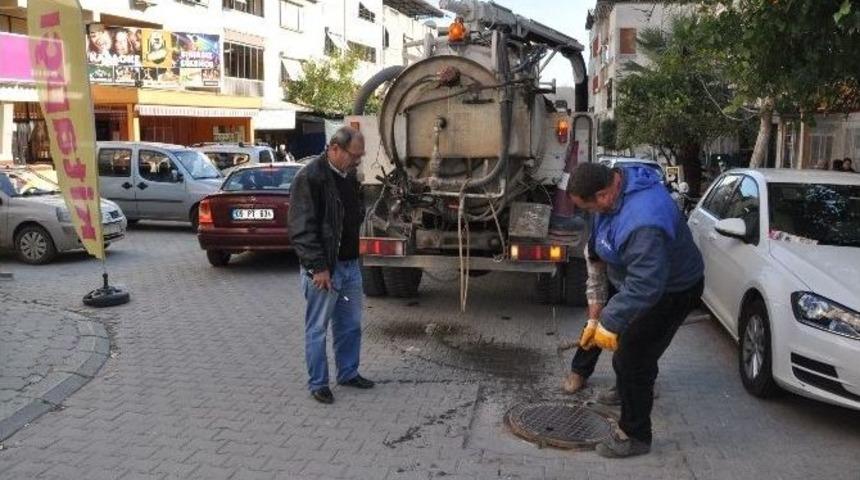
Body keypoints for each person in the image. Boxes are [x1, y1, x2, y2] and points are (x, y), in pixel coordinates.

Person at [566, 162, 704, 458]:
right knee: (634, 351)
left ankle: (635, 435)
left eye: (588, 208)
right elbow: (599, 259)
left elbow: (646, 286)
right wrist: (596, 318)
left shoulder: (644, 221)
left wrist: (610, 321)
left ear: (603, 195)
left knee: (632, 358)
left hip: (671, 291)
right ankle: (627, 389)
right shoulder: (618, 184)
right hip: (635, 280)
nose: (589, 214)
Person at [288, 127, 374, 405]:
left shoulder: (348, 175)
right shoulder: (310, 177)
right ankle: (319, 383)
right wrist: (318, 267)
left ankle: (348, 373)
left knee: (350, 326)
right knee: (317, 328)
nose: (358, 161)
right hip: (325, 270)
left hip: (349, 267)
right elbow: (302, 229)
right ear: (335, 148)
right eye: (354, 155)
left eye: (360, 156)